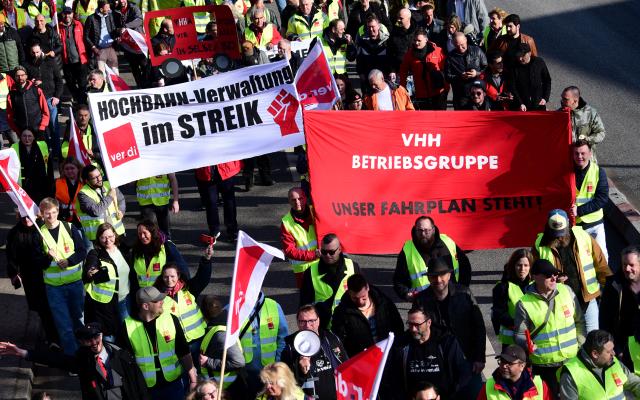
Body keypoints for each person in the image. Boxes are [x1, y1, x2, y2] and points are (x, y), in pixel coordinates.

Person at [0, 322, 150, 399]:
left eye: (96, 337)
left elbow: (139, 386)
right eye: (88, 340)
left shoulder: (122, 356)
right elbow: (56, 360)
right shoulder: (83, 361)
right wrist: (23, 353)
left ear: (102, 335)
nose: (94, 343)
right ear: (82, 343)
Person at [413, 257, 486, 398]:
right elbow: (417, 332)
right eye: (434, 276)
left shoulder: (464, 294)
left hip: (467, 359)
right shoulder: (421, 300)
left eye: (442, 275)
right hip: (437, 362)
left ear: (449, 275)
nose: (438, 279)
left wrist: (480, 357)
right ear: (428, 278)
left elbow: (479, 327)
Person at [514, 259, 586, 397]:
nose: (553, 278)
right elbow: (519, 334)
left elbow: (580, 322)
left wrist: (579, 343)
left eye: (555, 274)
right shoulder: (524, 304)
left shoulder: (567, 291)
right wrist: (526, 344)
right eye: (548, 275)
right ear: (535, 277)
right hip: (545, 367)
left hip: (572, 362)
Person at [533, 208, 611, 333]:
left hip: (587, 298)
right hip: (559, 301)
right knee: (570, 339)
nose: (559, 237)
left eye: (562, 233)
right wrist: (553, 280)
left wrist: (609, 289)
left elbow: (600, 264)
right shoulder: (539, 245)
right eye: (555, 234)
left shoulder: (583, 236)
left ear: (568, 225)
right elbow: (534, 276)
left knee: (592, 339)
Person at [122, 286, 198, 399]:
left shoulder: (171, 319)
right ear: (145, 306)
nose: (162, 302)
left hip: (173, 385)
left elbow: (183, 350)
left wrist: (193, 378)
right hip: (146, 389)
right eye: (157, 300)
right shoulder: (127, 326)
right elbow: (126, 362)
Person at [39, 197, 87, 356]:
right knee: (64, 326)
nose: (51, 216)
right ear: (42, 214)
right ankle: (74, 360)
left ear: (58, 211)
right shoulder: (39, 233)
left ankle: (85, 356)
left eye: (53, 212)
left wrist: (69, 261)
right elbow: (36, 262)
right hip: (54, 288)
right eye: (47, 214)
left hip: (75, 284)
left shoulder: (69, 227)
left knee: (79, 322)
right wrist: (47, 257)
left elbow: (82, 251)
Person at [393, 304, 471, 399]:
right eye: (410, 324)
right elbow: (394, 376)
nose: (413, 329)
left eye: (417, 325)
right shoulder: (401, 345)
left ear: (429, 322)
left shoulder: (446, 342)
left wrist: (451, 394)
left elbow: (462, 371)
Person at [6, 213, 59, 347]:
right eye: (23, 217)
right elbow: (11, 256)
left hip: (50, 274)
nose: (26, 219)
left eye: (28, 216)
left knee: (53, 306)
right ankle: (51, 337)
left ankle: (55, 335)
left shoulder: (43, 229)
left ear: (35, 216)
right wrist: (13, 274)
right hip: (31, 276)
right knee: (42, 308)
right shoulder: (15, 233)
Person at [154, 247, 212, 364]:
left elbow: (203, 278)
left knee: (203, 372)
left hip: (199, 339)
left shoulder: (188, 289)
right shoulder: (157, 296)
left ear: (178, 276)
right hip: (179, 344)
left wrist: (206, 259)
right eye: (166, 277)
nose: (169, 280)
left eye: (172, 276)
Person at [393, 216, 472, 301]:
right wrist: (406, 294)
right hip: (425, 303)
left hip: (453, 298)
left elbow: (465, 266)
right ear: (415, 230)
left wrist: (462, 288)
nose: (423, 234)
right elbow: (399, 280)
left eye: (427, 230)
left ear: (433, 230)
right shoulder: (408, 250)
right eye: (420, 230)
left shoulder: (448, 242)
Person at [281, 305, 347, 400]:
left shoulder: (331, 337)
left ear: (318, 320)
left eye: (311, 321)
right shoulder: (289, 346)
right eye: (302, 321)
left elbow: (346, 363)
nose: (307, 326)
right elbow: (287, 382)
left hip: (339, 395)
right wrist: (300, 370)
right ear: (297, 323)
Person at [330, 273, 404, 357]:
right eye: (355, 298)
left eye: (363, 297)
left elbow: (398, 326)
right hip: (361, 360)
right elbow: (338, 340)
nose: (360, 301)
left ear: (367, 288)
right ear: (349, 292)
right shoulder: (342, 312)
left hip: (387, 355)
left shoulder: (384, 303)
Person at [300, 233, 361, 329]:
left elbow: (363, 296)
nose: (327, 255)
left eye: (331, 252)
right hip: (323, 328)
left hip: (348, 326)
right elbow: (304, 306)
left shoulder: (353, 267)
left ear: (340, 249)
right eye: (324, 252)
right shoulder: (310, 272)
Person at [558, 329, 640, 399]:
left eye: (613, 349)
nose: (614, 353)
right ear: (595, 354)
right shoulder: (570, 375)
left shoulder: (613, 362)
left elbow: (634, 382)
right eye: (609, 351)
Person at [83, 222, 131, 339]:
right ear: (98, 239)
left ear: (115, 235)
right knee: (109, 337)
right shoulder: (95, 253)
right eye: (103, 237)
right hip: (106, 306)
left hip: (124, 300)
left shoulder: (123, 249)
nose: (107, 240)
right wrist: (91, 271)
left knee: (128, 333)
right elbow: (90, 268)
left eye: (110, 236)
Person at [199, 295, 249, 399]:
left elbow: (239, 361)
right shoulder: (218, 328)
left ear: (203, 314)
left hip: (228, 389)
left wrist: (208, 362)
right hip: (223, 388)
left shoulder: (221, 334)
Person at [240, 292, 289, 396]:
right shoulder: (232, 309)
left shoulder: (274, 306)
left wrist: (278, 363)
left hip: (271, 369)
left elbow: (283, 338)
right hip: (245, 372)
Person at [599, 245, 640, 370]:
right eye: (624, 265)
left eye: (631, 265)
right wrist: (614, 348)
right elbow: (605, 320)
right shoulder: (614, 286)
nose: (627, 269)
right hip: (624, 346)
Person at [570, 140, 609, 261]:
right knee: (580, 261)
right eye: (576, 153)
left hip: (594, 224)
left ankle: (604, 281)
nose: (579, 157)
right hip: (574, 225)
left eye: (583, 153)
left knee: (601, 259)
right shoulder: (567, 172)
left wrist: (579, 210)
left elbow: (602, 198)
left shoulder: (598, 172)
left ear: (590, 153)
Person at [24, 42, 63, 159]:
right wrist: (32, 82)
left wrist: (57, 96)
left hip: (50, 99)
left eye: (37, 52)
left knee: (54, 128)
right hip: (37, 101)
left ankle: (57, 154)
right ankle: (46, 153)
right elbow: (26, 82)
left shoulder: (50, 62)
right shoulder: (29, 65)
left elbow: (59, 81)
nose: (36, 55)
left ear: (41, 50)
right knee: (42, 129)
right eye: (33, 52)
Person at [492, 249, 534, 350]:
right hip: (512, 343)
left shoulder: (536, 285)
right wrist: (520, 327)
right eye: (519, 265)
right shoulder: (502, 287)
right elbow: (499, 313)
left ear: (531, 267)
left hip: (535, 340)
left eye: (526, 265)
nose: (522, 269)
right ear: (513, 266)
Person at [131, 219, 190, 290]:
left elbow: (182, 267)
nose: (142, 236)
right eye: (140, 234)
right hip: (143, 293)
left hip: (162, 292)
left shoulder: (166, 246)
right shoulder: (136, 249)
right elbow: (133, 274)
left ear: (152, 232)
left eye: (144, 233)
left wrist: (184, 285)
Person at [477, 344, 552, 400]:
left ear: (522, 366)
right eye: (502, 361)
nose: (504, 366)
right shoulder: (489, 386)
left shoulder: (539, 385)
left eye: (509, 363)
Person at [76, 164, 125, 244]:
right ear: (86, 181)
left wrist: (121, 211)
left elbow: (121, 200)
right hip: (99, 238)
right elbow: (96, 211)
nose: (99, 179)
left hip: (117, 232)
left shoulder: (109, 185)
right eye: (95, 178)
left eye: (99, 175)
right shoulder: (83, 194)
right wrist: (109, 196)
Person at [399, 29, 448, 110]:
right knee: (426, 120)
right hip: (421, 93)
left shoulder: (437, 51)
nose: (416, 43)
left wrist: (446, 88)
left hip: (438, 92)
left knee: (440, 119)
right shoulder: (409, 54)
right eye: (415, 40)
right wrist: (403, 88)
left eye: (419, 40)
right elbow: (403, 71)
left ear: (426, 40)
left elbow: (446, 69)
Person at [280, 187, 319, 288]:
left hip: (322, 265)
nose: (297, 202)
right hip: (302, 272)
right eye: (293, 200)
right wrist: (313, 255)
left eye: (300, 198)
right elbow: (289, 250)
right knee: (307, 301)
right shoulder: (286, 222)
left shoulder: (315, 213)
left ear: (305, 198)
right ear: (289, 201)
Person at [194, 160, 241, 242]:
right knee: (211, 202)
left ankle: (232, 230)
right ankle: (214, 231)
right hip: (206, 171)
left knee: (229, 201)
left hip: (226, 168)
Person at [560, 86, 607, 157]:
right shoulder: (559, 114)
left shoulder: (590, 113)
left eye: (565, 99)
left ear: (575, 100)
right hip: (566, 159)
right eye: (562, 98)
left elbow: (601, 133)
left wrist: (587, 140)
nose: (562, 101)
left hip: (585, 159)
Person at [445, 32, 487, 109]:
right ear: (453, 44)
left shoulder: (477, 51)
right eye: (457, 45)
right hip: (460, 95)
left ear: (466, 40)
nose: (460, 47)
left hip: (477, 93)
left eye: (462, 45)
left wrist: (477, 73)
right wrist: (460, 76)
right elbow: (447, 77)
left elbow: (486, 68)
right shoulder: (450, 57)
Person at [6, 66, 50, 139]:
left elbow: (45, 111)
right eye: (17, 76)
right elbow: (9, 115)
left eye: (22, 75)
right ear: (14, 77)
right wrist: (16, 130)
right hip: (22, 133)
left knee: (42, 150)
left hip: (39, 131)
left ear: (26, 76)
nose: (20, 78)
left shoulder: (36, 91)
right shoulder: (11, 95)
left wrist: (42, 127)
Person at [11, 129, 52, 204]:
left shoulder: (42, 145)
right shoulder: (14, 147)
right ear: (20, 137)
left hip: (41, 184)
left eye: (29, 136)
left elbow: (49, 166)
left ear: (34, 137)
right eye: (24, 136)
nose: (27, 139)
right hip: (23, 186)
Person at [507, 42, 551, 112]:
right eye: (518, 56)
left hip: (538, 104)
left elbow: (547, 80)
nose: (520, 59)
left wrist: (545, 98)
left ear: (529, 53)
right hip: (522, 106)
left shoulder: (539, 62)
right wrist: (520, 103)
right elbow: (512, 86)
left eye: (522, 56)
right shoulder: (514, 67)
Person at [58, 7, 89, 104]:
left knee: (82, 84)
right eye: (65, 14)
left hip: (81, 60)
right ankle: (78, 100)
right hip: (67, 62)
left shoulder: (79, 24)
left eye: (69, 13)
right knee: (70, 84)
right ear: (62, 14)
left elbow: (85, 39)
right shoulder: (58, 27)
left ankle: (83, 104)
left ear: (72, 14)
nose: (67, 16)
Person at [136, 174, 179, 238]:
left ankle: (166, 246)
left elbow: (173, 179)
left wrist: (176, 201)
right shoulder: (138, 163)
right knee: (148, 233)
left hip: (162, 203)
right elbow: (131, 182)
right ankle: (151, 247)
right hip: (145, 203)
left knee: (165, 233)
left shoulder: (164, 163)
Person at [84, 0, 121, 74]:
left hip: (111, 48)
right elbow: (86, 36)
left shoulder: (110, 16)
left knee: (115, 74)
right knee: (102, 75)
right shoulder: (91, 18)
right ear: (101, 9)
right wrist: (94, 48)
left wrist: (117, 36)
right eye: (107, 8)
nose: (109, 10)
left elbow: (113, 30)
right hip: (99, 50)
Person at [355, 15, 391, 88]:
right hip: (367, 78)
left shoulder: (387, 41)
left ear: (378, 26)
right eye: (369, 27)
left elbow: (391, 59)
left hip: (383, 78)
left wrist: (391, 71)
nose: (371, 29)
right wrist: (361, 73)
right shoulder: (362, 41)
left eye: (373, 26)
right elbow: (359, 59)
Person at [117, 0, 147, 88]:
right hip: (127, 45)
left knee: (145, 66)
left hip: (138, 43)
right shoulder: (115, 10)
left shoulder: (134, 8)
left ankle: (147, 85)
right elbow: (114, 26)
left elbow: (139, 21)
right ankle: (140, 86)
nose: (121, 1)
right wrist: (118, 34)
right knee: (134, 68)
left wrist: (125, 27)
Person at [388, 8, 418, 72]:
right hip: (399, 70)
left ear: (408, 19)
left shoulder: (418, 32)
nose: (398, 20)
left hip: (415, 70)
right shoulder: (394, 33)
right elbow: (390, 53)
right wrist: (392, 70)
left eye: (401, 18)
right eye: (398, 18)